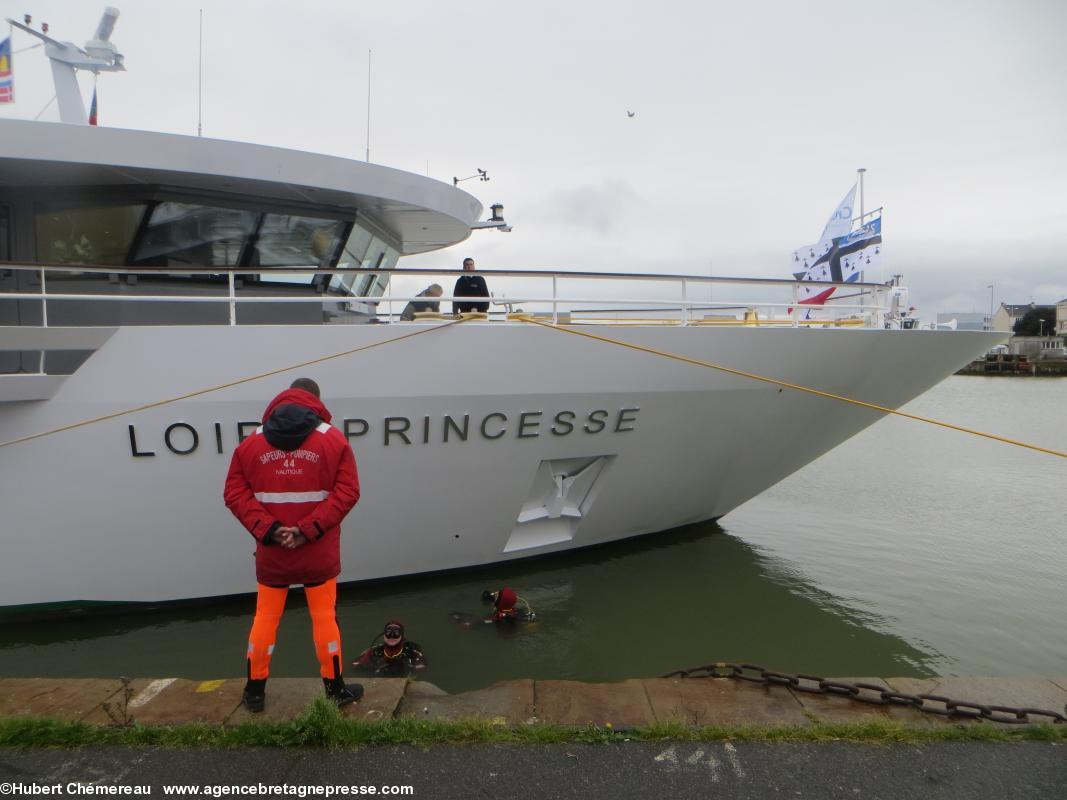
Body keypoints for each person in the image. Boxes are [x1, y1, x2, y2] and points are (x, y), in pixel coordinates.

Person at [224, 377, 363, 713]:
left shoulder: (251, 443)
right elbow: (348, 492)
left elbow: (234, 493)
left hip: (272, 552)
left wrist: (270, 530)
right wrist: (305, 529)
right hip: (317, 550)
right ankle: (334, 690)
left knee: (265, 619)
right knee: (324, 618)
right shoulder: (333, 440)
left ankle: (255, 692)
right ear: (315, 399)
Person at [352, 620, 427, 677]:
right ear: (384, 635)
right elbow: (355, 665)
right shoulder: (375, 651)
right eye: (388, 632)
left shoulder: (412, 649)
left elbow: (422, 666)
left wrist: (404, 667)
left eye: (396, 632)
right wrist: (374, 667)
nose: (392, 636)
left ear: (402, 635)